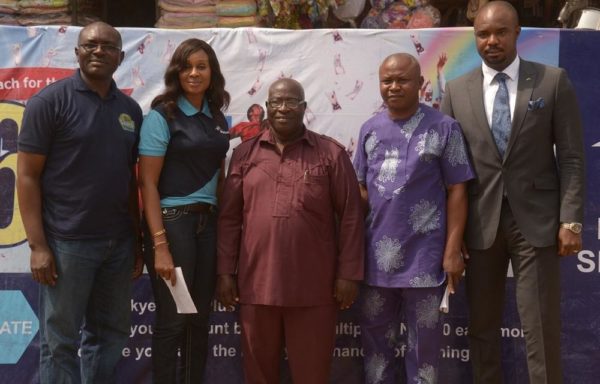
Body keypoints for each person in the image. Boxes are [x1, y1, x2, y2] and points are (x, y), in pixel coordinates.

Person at [441, 2, 585, 383]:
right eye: (483, 34)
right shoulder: (456, 91)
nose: (491, 41)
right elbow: (449, 171)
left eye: (500, 32)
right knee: (482, 329)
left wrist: (570, 219)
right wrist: (451, 237)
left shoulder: (552, 81)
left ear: (518, 32)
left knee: (540, 327)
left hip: (536, 222)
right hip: (479, 223)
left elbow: (571, 156)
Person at [16, 22, 143, 383]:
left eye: (107, 46)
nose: (98, 51)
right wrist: (38, 245)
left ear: (120, 56)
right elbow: (26, 177)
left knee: (110, 337)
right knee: (60, 342)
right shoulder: (49, 102)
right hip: (66, 243)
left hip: (117, 245)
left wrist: (136, 243)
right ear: (77, 52)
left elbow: (128, 179)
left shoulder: (130, 110)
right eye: (90, 45)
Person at [216, 78, 364, 384]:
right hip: (256, 286)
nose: (283, 108)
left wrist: (348, 274)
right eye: (276, 102)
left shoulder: (330, 154)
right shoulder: (245, 155)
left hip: (314, 289)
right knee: (259, 375)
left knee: (311, 375)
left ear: (304, 108)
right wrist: (225, 273)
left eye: (291, 102)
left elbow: (351, 216)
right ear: (267, 108)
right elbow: (229, 219)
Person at [354, 53, 474, 384]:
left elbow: (458, 190)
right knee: (377, 352)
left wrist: (451, 251)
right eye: (386, 81)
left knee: (424, 354)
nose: (393, 87)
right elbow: (361, 191)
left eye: (402, 80)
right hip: (376, 263)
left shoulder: (444, 127)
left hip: (426, 261)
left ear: (420, 84)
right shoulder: (370, 129)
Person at [138, 38, 230, 383]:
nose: (194, 73)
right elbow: (147, 184)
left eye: (201, 66)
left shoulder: (217, 116)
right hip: (173, 226)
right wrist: (160, 245)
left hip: (208, 227)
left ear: (212, 73)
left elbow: (219, 173)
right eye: (187, 66)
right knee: (175, 317)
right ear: (177, 71)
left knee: (199, 317)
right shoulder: (162, 116)